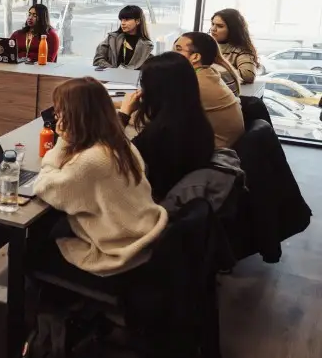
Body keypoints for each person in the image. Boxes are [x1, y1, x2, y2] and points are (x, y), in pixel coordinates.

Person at [32, 77, 168, 278]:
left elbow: (43, 187)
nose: (56, 114)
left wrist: (62, 142)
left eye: (60, 109)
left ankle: (59, 299)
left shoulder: (91, 160)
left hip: (120, 255)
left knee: (33, 249)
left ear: (75, 115)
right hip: (143, 236)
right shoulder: (119, 142)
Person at [117, 53, 216, 201]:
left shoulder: (160, 132)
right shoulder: (196, 119)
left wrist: (124, 114)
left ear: (155, 90)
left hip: (154, 202)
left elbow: (111, 156)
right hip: (183, 197)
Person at [174, 32, 245, 149]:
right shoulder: (208, 73)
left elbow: (156, 115)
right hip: (223, 142)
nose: (172, 54)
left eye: (178, 50)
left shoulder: (194, 85)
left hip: (213, 150)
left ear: (195, 57)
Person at [93, 5, 153, 70]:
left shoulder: (146, 45)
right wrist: (115, 71)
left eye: (127, 19)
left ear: (138, 21)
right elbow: (98, 60)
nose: (123, 23)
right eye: (121, 20)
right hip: (110, 78)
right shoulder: (112, 39)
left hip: (133, 79)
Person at [210, 8, 259, 85]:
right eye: (213, 24)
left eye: (220, 26)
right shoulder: (206, 45)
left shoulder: (241, 51)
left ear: (232, 29)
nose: (213, 29)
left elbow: (248, 76)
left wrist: (210, 72)